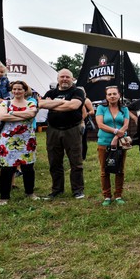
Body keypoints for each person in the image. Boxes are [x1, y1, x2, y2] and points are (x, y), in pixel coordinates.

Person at [39, 69, 86, 199]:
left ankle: (77, 190)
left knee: (76, 161)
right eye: (62, 77)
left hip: (72, 129)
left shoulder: (77, 91)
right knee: (54, 161)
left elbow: (73, 106)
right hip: (53, 129)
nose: (64, 79)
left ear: (72, 79)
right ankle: (57, 189)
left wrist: (52, 104)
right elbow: (41, 104)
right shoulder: (51, 92)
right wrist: (65, 102)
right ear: (58, 78)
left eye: (67, 77)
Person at [0, 80, 39, 204]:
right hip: (8, 141)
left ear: (25, 91)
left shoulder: (31, 103)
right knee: (7, 169)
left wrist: (12, 113)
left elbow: (32, 114)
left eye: (20, 89)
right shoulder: (5, 103)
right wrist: (23, 115)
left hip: (27, 140)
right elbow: (2, 117)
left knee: (28, 167)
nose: (17, 91)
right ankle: (4, 196)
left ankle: (30, 192)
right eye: (14, 89)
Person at [95, 85, 130, 206]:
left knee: (120, 169)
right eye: (109, 94)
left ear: (119, 95)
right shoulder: (101, 108)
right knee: (105, 170)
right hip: (104, 143)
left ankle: (118, 195)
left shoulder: (124, 109)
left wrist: (116, 137)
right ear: (106, 96)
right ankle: (107, 196)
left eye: (114, 94)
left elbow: (125, 125)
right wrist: (115, 131)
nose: (112, 96)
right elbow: (100, 124)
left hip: (120, 143)